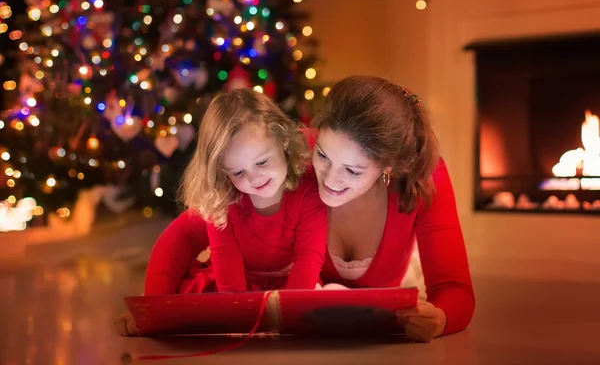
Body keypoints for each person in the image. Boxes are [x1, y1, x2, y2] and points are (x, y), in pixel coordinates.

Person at [114, 89, 327, 335]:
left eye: (261, 162)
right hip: (233, 283)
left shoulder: (308, 189)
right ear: (222, 171)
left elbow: (308, 258)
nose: (254, 178)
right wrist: (234, 315)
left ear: (283, 142)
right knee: (190, 316)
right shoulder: (224, 199)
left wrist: (291, 315)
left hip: (291, 282)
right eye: (237, 172)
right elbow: (227, 273)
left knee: (320, 312)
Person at [307, 75, 474, 342]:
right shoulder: (295, 159)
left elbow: (453, 289)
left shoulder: (425, 177)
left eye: (352, 170)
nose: (329, 178)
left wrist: (439, 320)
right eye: (323, 155)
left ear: (388, 167)